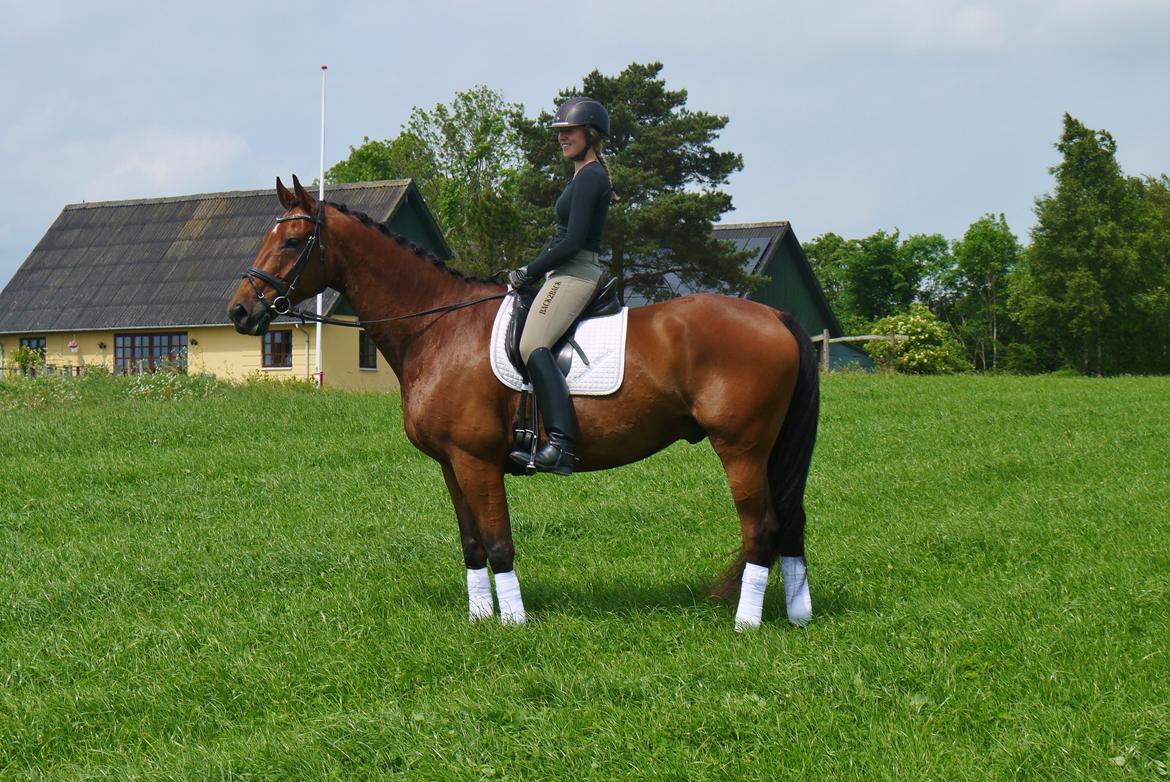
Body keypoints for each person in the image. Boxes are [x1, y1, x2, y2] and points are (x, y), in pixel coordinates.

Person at [507, 96, 614, 476]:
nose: (561, 137)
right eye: (559, 132)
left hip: (578, 272)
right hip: (564, 270)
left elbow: (572, 242)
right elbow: (561, 237)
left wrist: (530, 270)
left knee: (532, 343)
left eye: (568, 131)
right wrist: (529, 270)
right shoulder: (581, 174)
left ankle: (561, 445)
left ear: (590, 133)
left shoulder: (592, 177)